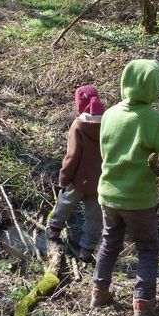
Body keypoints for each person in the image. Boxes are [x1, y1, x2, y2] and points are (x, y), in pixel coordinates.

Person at [91, 59, 159, 316]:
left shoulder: (110, 114)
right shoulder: (154, 120)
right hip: (139, 200)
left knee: (110, 241)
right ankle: (143, 306)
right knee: (147, 248)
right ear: (153, 87)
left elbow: (105, 153)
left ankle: (99, 293)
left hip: (108, 194)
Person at [47, 85, 105, 262]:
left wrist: (63, 178)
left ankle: (54, 231)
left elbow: (72, 156)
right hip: (100, 181)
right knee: (94, 217)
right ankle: (86, 250)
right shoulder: (109, 123)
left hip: (79, 179)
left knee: (65, 202)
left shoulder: (78, 125)